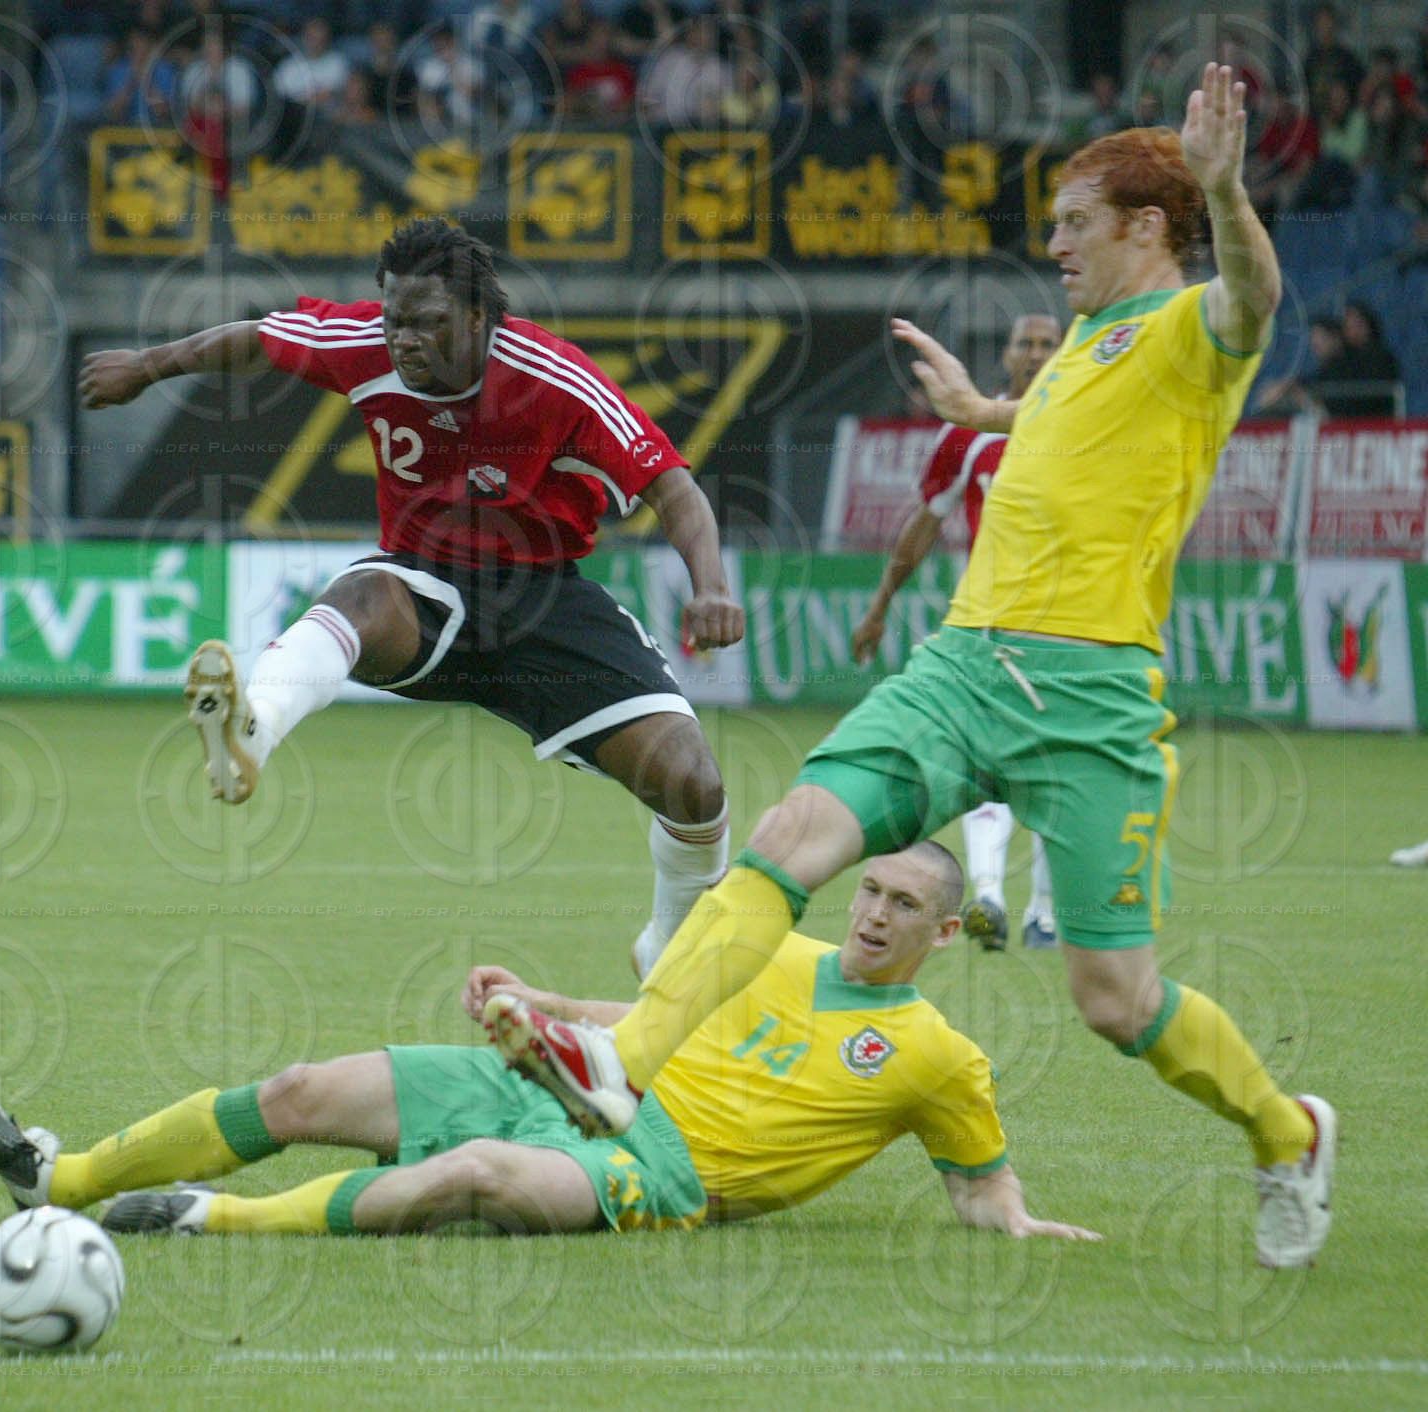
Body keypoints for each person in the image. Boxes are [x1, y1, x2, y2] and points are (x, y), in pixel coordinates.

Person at [491, 66, 1337, 1272]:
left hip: (1092, 694)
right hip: (961, 664)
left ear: (1149, 228)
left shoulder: (1194, 326)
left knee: (1114, 997)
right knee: (789, 836)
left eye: (1074, 225)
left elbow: (1255, 295)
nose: (1053, 247)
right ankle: (625, 1063)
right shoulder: (1094, 341)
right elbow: (1076, 425)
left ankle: (1288, 1128)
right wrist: (987, 410)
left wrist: (1225, 186)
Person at [79, 219, 743, 979]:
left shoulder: (554, 378)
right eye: (394, 319)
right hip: (428, 587)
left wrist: (712, 587)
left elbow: (673, 487)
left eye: (427, 323)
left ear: (477, 319)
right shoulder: (361, 342)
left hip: (544, 605)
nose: (404, 340)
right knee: (364, 591)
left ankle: (672, 939)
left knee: (695, 785)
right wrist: (147, 366)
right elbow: (259, 335)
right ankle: (249, 733)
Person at [0, 844, 1100, 1245]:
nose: (873, 911)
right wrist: (539, 997)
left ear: (947, 932)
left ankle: (211, 1217)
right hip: (584, 1087)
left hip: (661, 1169)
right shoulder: (779, 949)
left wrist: (1019, 1221)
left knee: (470, 1175)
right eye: (870, 888)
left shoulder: (942, 1058)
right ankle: (56, 1176)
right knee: (304, 1086)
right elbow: (639, 1019)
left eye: (904, 904)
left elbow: (980, 1184)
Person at [850, 313, 1063, 952]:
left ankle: (1044, 913)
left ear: (1065, 351)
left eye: (1046, 343)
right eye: (1023, 341)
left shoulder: (1085, 429)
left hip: (1066, 625)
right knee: (987, 757)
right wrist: (881, 602)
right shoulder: (968, 435)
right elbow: (924, 524)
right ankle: (993, 897)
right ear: (1005, 354)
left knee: (1052, 766)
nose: (1033, 352)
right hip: (989, 622)